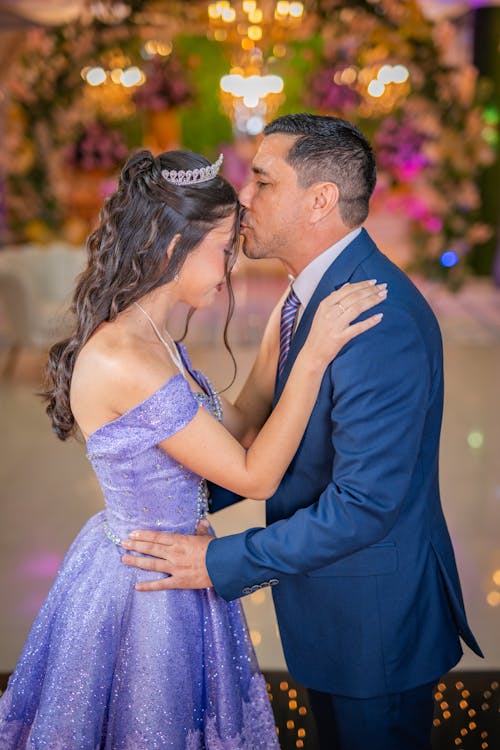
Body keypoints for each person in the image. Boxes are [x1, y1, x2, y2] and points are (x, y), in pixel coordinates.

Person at [0, 147, 385, 748]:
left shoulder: (155, 338)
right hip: (146, 588)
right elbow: (253, 476)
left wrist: (284, 331)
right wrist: (312, 357)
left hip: (180, 564)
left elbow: (238, 425)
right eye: (223, 248)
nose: (229, 267)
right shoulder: (124, 357)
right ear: (170, 242)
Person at [122, 115, 483, 750]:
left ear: (321, 200)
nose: (242, 199)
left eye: (262, 181)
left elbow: (366, 504)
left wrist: (219, 561)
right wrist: (173, 504)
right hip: (332, 611)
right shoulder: (310, 300)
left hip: (374, 627)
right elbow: (292, 449)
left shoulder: (377, 315)